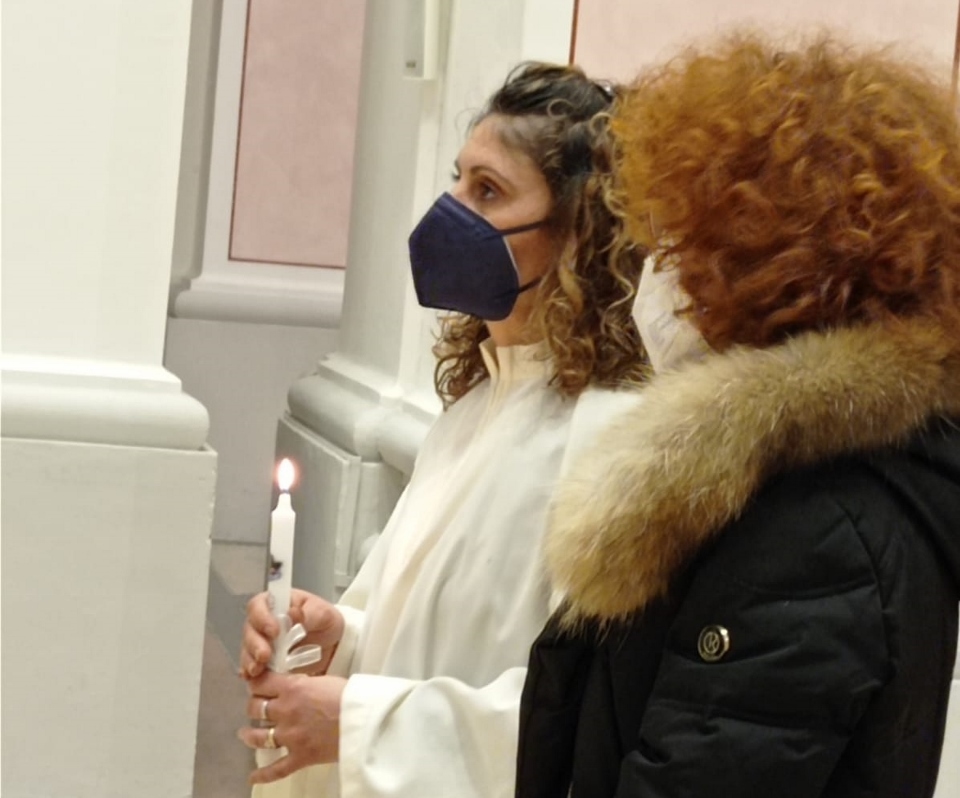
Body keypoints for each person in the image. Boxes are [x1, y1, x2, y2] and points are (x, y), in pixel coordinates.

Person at [516, 35, 960, 798]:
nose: (657, 278)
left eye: (681, 249)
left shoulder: (819, 533)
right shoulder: (806, 473)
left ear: (770, 268)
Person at [237, 62, 647, 797]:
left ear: (576, 233)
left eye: (487, 191)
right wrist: (339, 640)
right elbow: (429, 643)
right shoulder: (473, 409)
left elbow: (576, 716)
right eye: (459, 180)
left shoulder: (609, 440)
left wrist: (358, 724)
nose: (448, 211)